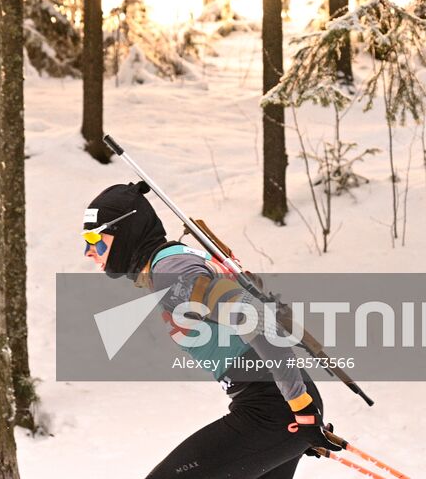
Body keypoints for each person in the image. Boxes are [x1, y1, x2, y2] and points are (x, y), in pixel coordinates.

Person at [83, 182, 342, 478]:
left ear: (126, 231)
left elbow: (258, 321)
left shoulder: (172, 272)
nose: (89, 252)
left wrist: (300, 407)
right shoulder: (172, 263)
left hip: (275, 409)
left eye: (95, 239)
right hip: (276, 409)